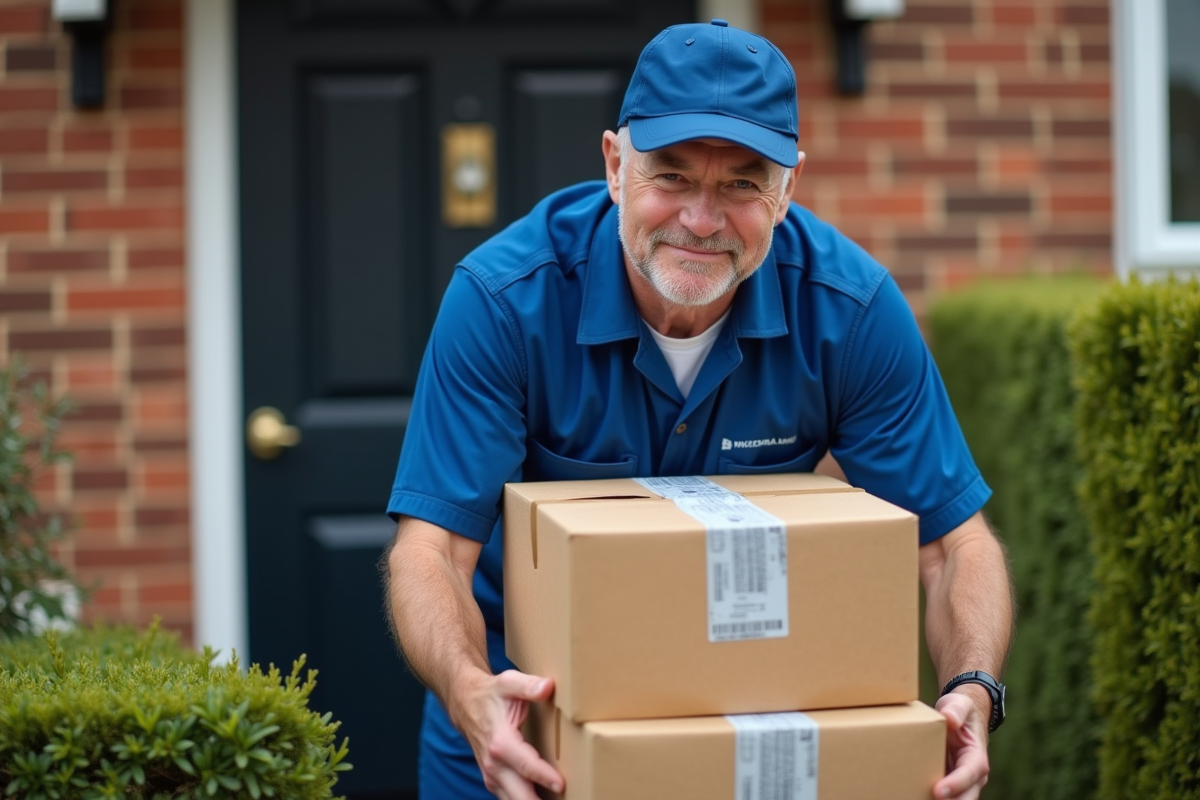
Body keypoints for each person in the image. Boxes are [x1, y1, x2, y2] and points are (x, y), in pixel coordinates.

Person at [385, 19, 1013, 800]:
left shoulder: (849, 311)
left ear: (789, 191)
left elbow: (953, 546)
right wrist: (470, 693)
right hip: (519, 733)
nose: (702, 219)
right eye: (672, 176)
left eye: (743, 184)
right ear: (615, 166)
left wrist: (974, 688)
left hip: (745, 738)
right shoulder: (505, 302)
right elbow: (432, 552)